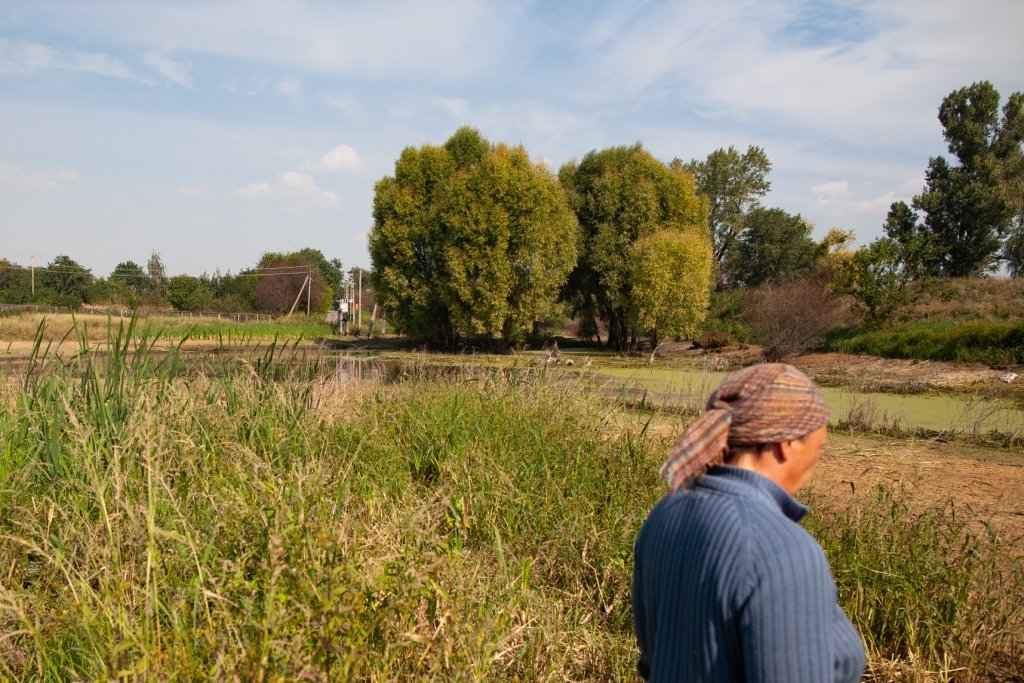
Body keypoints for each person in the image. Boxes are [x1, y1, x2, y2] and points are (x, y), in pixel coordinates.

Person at [632, 363, 865, 682]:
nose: (816, 461)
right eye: (819, 446)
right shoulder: (783, 551)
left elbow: (653, 659)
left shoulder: (664, 514)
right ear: (787, 444)